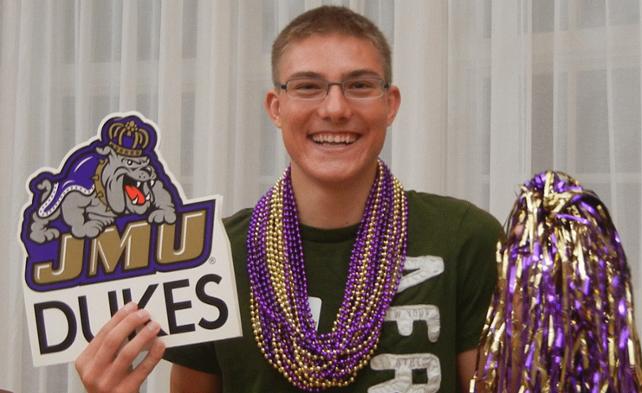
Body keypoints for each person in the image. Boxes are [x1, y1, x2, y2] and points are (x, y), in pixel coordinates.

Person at [75, 6, 502, 393]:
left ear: (390, 104)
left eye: (359, 84)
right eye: (307, 86)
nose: (335, 107)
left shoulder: (465, 239)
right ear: (276, 107)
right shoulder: (213, 258)